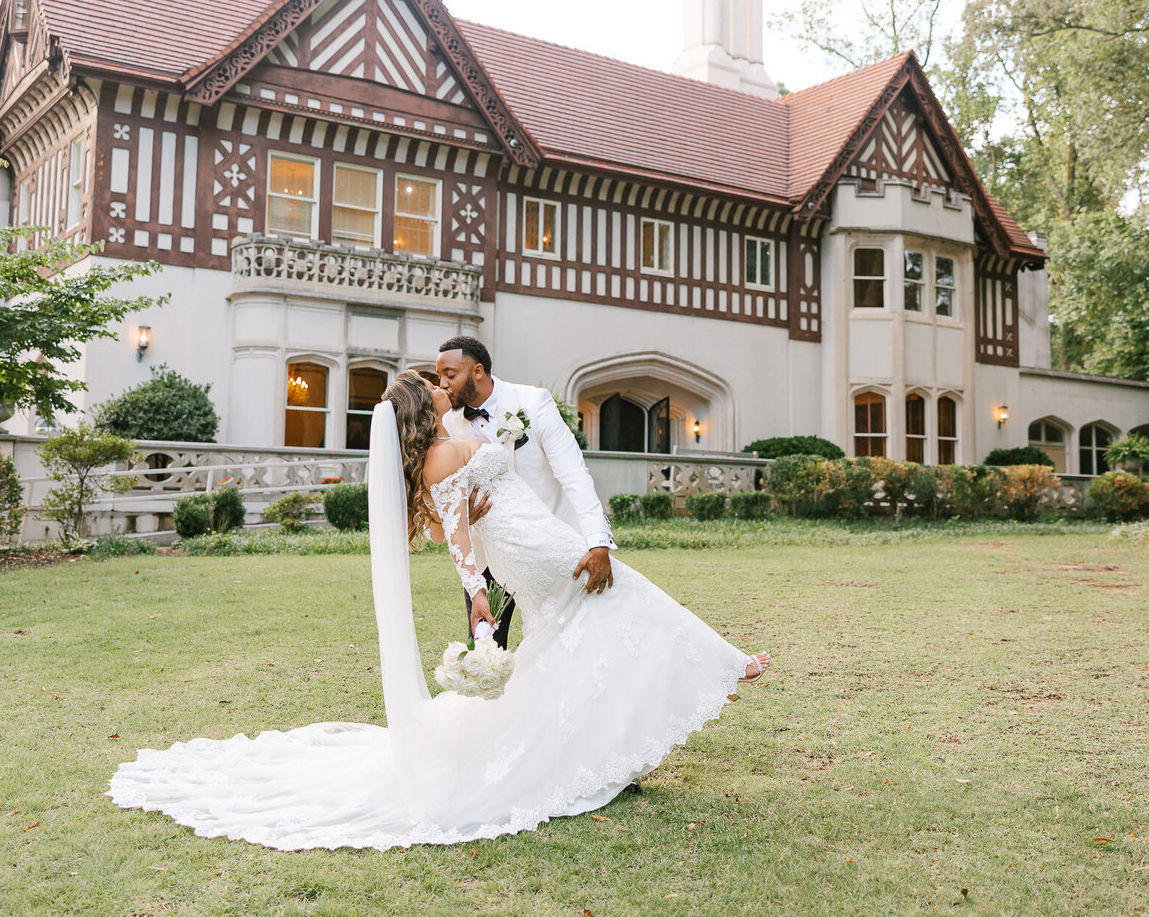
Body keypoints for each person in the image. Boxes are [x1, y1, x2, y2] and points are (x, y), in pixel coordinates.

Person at [107, 370, 770, 851]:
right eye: (429, 386)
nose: (437, 386)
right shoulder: (455, 448)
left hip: (514, 559)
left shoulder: (426, 466)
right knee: (627, 593)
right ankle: (728, 664)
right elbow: (492, 476)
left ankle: (623, 738)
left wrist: (479, 593)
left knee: (570, 637)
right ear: (423, 409)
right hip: (538, 546)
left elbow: (456, 537)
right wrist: (500, 458)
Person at [434, 336, 614, 650]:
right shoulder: (445, 423)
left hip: (546, 548)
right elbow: (440, 497)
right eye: (440, 378)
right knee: (486, 652)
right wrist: (464, 516)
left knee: (561, 644)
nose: (443, 384)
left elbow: (573, 474)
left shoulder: (533, 402)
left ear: (478, 371)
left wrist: (597, 540)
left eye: (450, 375)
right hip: (488, 558)